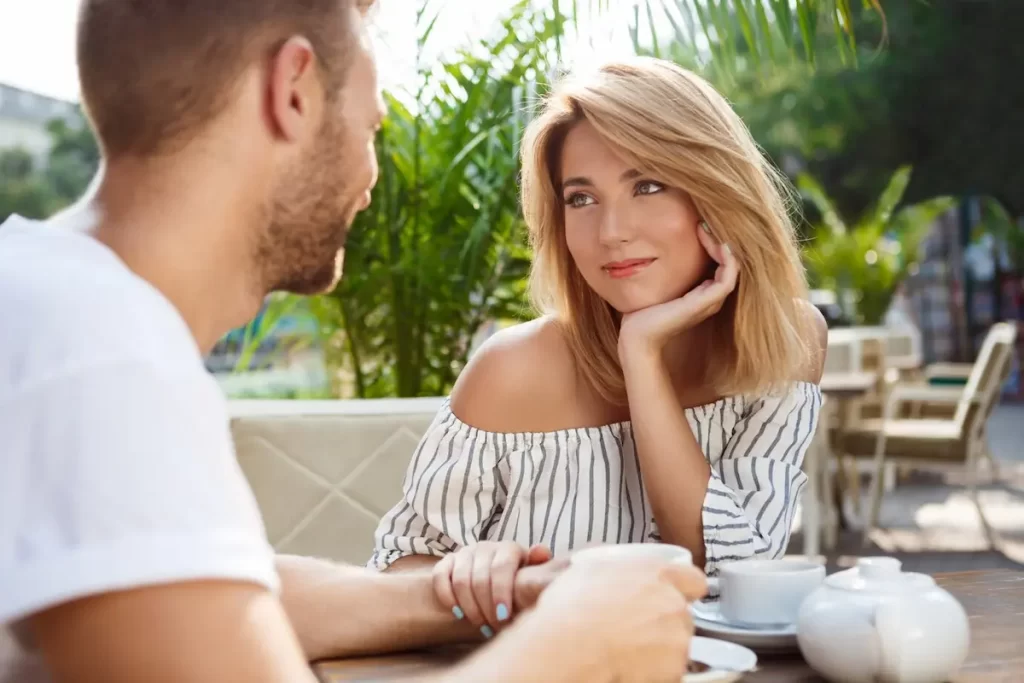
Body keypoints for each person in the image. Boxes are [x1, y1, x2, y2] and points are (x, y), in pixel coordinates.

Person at [0, 2, 707, 683]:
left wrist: (510, 590)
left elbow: (206, 595)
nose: (370, 181)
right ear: (295, 90)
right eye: (371, 127)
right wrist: (583, 642)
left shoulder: (48, 305)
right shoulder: (100, 360)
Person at [370, 57, 828, 632]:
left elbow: (733, 570)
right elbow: (393, 574)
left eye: (648, 185)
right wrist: (472, 573)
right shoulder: (512, 371)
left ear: (718, 193)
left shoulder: (789, 343)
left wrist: (642, 358)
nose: (611, 231)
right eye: (581, 199)